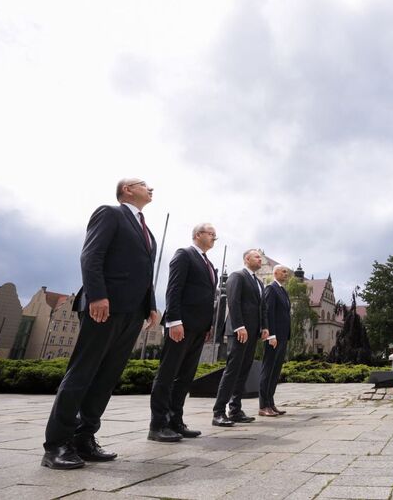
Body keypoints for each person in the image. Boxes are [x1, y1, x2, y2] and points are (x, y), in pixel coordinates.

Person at [42, 178, 160, 470]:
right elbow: (91, 254)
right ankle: (56, 444)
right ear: (127, 190)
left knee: (107, 377)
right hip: (103, 307)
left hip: (133, 311)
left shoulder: (148, 232)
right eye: (144, 184)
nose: (151, 188)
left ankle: (85, 438)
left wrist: (152, 306)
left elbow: (145, 272)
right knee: (83, 373)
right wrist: (97, 295)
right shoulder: (110, 213)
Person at [148, 223, 219, 441]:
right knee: (168, 374)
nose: (215, 237)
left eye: (215, 234)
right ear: (198, 235)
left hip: (199, 328)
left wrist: (208, 326)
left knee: (185, 377)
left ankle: (175, 420)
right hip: (181, 325)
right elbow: (174, 289)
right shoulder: (184, 255)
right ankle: (158, 425)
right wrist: (174, 321)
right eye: (210, 233)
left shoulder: (209, 263)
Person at [211, 249, 269, 426]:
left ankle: (235, 409)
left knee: (244, 371)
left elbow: (262, 308)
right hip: (239, 331)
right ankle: (219, 412)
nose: (260, 259)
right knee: (232, 371)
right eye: (257, 257)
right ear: (246, 259)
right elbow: (233, 301)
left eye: (261, 257)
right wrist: (239, 326)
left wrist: (264, 327)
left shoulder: (259, 283)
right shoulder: (237, 276)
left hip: (253, 333)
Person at [258, 265, 291, 417]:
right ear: (275, 273)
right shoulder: (271, 288)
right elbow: (268, 312)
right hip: (274, 337)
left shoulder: (283, 290)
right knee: (268, 370)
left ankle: (270, 403)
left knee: (275, 370)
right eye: (284, 271)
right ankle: (263, 405)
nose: (286, 274)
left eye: (287, 272)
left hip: (283, 336)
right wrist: (271, 335)